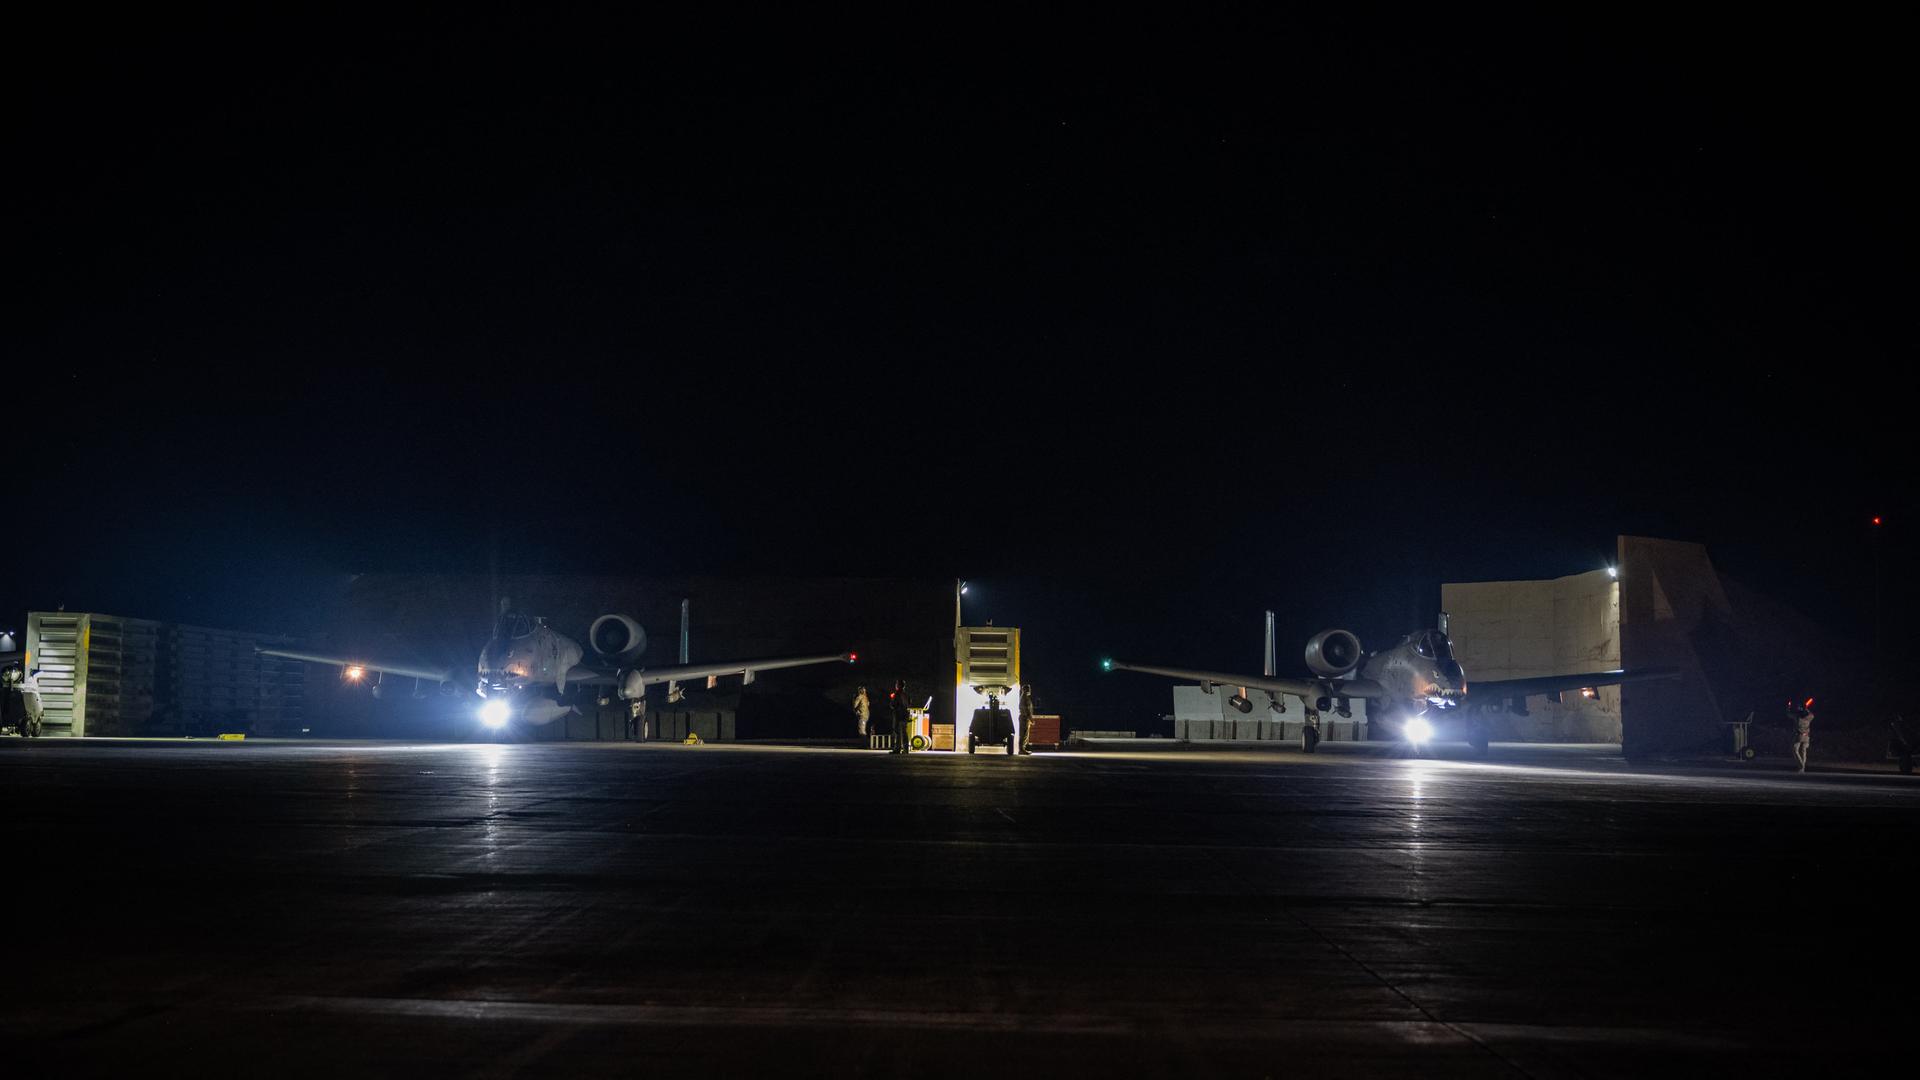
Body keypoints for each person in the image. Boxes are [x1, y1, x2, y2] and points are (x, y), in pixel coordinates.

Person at [1789, 699, 1814, 772]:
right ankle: (1802, 768)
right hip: (1807, 736)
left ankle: (1801, 765)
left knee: (1795, 750)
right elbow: (1811, 714)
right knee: (1803, 751)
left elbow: (1789, 714)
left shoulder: (1797, 718)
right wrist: (1806, 709)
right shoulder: (1809, 717)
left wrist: (1789, 707)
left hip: (1799, 736)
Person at [888, 679, 910, 754]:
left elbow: (893, 704)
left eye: (896, 684)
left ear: (898, 685)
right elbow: (909, 703)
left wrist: (892, 700)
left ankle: (897, 749)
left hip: (898, 714)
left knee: (897, 732)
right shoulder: (906, 694)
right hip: (905, 714)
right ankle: (906, 749)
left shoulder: (897, 694)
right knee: (904, 732)